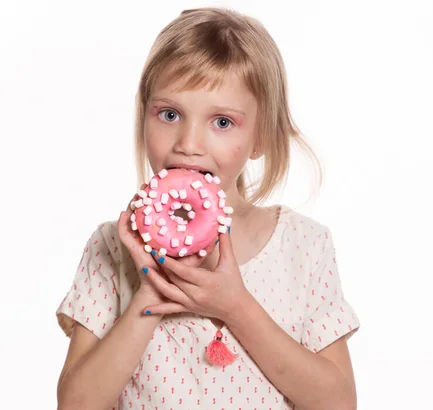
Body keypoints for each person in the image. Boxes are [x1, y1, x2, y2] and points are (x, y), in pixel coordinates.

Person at [55, 7, 360, 410]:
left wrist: (235, 307)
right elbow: (75, 404)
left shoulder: (303, 246)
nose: (189, 142)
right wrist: (150, 292)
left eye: (221, 122)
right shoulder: (111, 249)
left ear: (260, 136)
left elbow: (338, 403)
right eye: (169, 114)